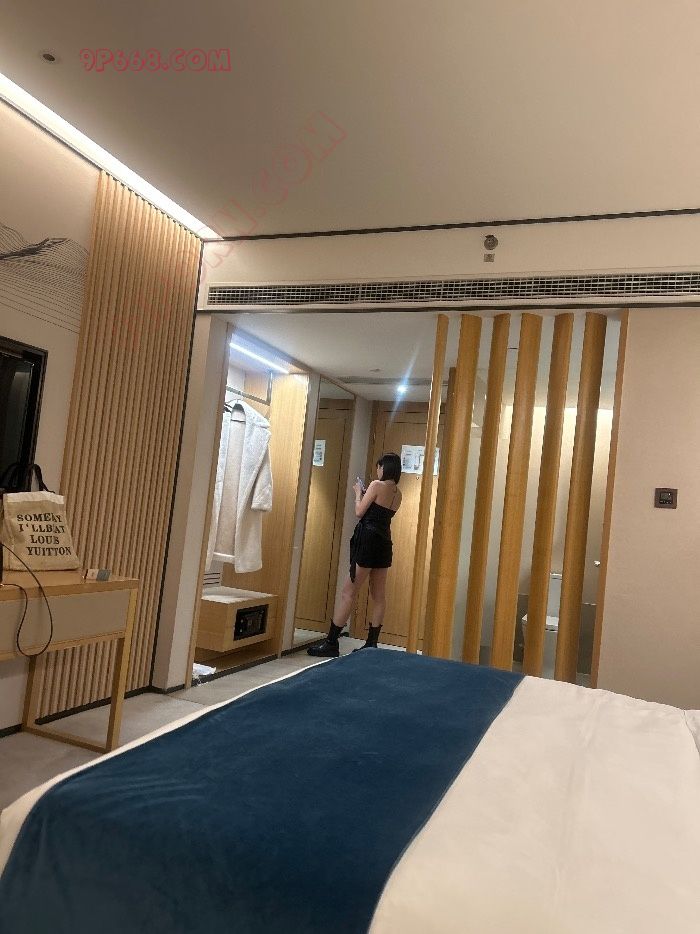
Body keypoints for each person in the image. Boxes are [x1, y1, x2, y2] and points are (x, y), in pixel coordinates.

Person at [308, 452, 402, 658]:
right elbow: (380, 513)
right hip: (384, 543)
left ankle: (331, 642)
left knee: (348, 592)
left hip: (367, 541)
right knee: (379, 596)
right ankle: (371, 643)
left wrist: (358, 493)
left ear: (384, 467)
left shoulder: (377, 485)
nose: (377, 471)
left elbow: (359, 511)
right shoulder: (398, 493)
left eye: (379, 467)